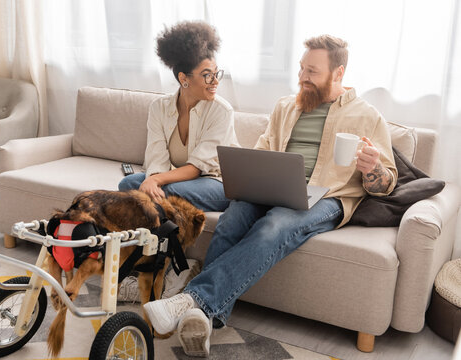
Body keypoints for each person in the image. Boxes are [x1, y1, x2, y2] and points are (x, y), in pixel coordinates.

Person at [144, 34, 398, 357]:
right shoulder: (286, 106)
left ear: (338, 74)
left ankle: (193, 299)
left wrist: (372, 168)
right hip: (275, 188)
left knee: (275, 225)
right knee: (233, 216)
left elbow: (386, 183)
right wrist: (250, 177)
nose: (302, 78)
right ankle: (206, 319)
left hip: (326, 197)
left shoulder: (367, 116)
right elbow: (263, 150)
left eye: (312, 72)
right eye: (301, 69)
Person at [118, 21, 238, 212]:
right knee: (128, 184)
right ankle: (158, 236)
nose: (215, 81)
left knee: (170, 190)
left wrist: (155, 180)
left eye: (216, 74)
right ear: (184, 79)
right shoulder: (159, 108)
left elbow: (196, 168)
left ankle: (159, 239)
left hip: (217, 182)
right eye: (207, 75)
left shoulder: (222, 111)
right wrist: (153, 180)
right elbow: (157, 157)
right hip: (180, 180)